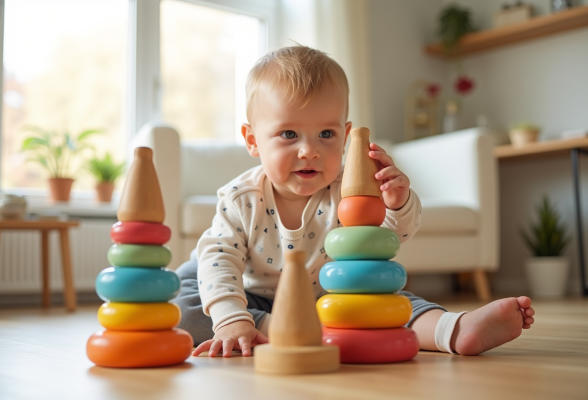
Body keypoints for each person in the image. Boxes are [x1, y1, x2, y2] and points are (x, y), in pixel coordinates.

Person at [172, 45, 535, 358]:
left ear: (346, 136)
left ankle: (454, 330)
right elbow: (219, 260)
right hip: (250, 297)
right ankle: (268, 328)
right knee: (187, 298)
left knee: (389, 300)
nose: (309, 150)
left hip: (333, 294)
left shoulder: (350, 189)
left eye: (326, 134)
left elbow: (389, 239)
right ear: (252, 140)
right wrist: (232, 320)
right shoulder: (241, 199)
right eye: (288, 134)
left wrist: (396, 203)